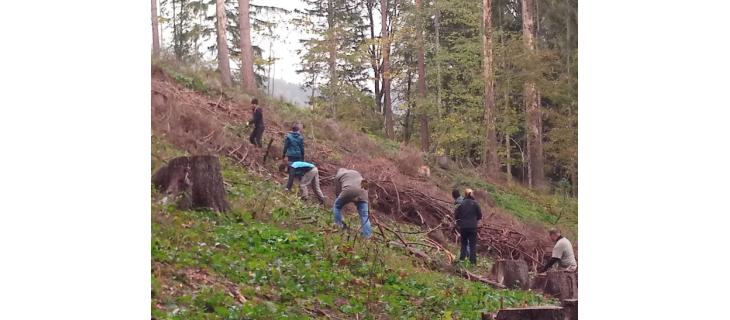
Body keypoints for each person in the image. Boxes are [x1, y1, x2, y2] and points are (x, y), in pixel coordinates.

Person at [332, 168, 372, 237]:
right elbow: (364, 182)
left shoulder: (338, 175)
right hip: (364, 191)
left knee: (336, 206)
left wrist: (340, 199)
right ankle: (367, 235)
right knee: (364, 215)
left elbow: (338, 191)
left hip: (349, 190)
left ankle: (339, 226)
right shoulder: (355, 172)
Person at [455, 188, 482, 264]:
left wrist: (459, 223)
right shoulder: (475, 203)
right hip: (472, 227)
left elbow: (456, 216)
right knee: (472, 245)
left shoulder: (461, 204)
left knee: (464, 244)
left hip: (463, 227)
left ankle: (462, 260)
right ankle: (473, 262)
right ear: (471, 194)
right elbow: (480, 215)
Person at [282, 123, 305, 190]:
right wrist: (302, 155)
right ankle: (300, 186)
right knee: (298, 169)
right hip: (298, 155)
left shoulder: (288, 137)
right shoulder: (300, 137)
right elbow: (302, 148)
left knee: (291, 170)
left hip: (291, 155)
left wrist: (283, 154)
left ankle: (289, 187)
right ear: (298, 130)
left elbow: (286, 146)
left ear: (292, 130)